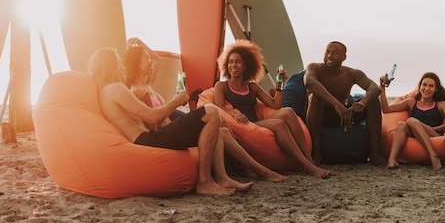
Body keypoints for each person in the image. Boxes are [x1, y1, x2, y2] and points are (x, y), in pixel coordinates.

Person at [89, 47, 287, 196]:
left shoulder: (107, 92)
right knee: (210, 111)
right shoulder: (115, 88)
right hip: (147, 139)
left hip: (148, 136)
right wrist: (176, 101)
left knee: (216, 125)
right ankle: (204, 181)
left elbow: (147, 120)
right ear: (110, 65)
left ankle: (223, 177)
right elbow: (152, 117)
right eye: (118, 62)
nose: (122, 66)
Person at [214, 40, 330, 179]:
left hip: (256, 122)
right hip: (244, 125)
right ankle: (308, 166)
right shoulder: (222, 86)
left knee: (288, 111)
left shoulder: (252, 86)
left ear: (245, 66)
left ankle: (308, 159)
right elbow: (219, 107)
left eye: (238, 62)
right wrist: (233, 113)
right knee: (278, 124)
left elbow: (275, 105)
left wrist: (279, 83)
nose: (233, 65)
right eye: (231, 62)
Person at [304, 41, 385, 166]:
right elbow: (309, 82)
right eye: (327, 51)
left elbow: (375, 88)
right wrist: (336, 104)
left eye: (335, 53)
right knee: (315, 98)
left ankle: (374, 154)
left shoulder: (352, 73)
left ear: (344, 57)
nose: (329, 56)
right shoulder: (315, 68)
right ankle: (316, 153)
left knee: (373, 102)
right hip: (322, 115)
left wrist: (362, 103)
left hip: (346, 116)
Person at [379, 72, 445, 170]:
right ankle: (392, 160)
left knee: (411, 121)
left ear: (436, 89)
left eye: (431, 86)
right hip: (415, 132)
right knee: (402, 125)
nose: (427, 89)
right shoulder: (410, 103)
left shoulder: (441, 104)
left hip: (433, 133)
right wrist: (382, 87)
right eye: (424, 85)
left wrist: (435, 128)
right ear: (419, 86)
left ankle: (433, 155)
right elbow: (386, 109)